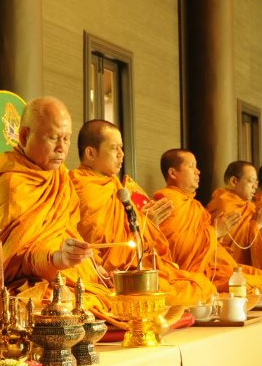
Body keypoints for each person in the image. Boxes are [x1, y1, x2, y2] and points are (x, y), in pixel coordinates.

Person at [0, 96, 124, 325]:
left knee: (117, 298)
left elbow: (66, 230)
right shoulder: (11, 185)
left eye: (66, 138)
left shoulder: (60, 177)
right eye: (53, 138)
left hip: (64, 273)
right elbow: (4, 263)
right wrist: (56, 259)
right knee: (60, 304)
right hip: (27, 283)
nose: (62, 148)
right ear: (25, 136)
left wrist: (91, 262)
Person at [69, 122, 216, 306]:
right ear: (91, 153)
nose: (121, 154)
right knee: (185, 292)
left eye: (121, 148)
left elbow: (133, 244)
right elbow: (103, 249)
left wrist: (145, 225)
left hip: (132, 269)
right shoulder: (80, 188)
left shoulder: (115, 186)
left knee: (199, 285)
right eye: (114, 148)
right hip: (105, 277)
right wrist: (143, 227)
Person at [152, 149, 262, 292]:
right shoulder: (168, 202)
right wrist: (215, 233)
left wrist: (217, 239)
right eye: (191, 166)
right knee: (257, 284)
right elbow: (181, 254)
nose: (198, 171)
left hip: (213, 268)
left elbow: (205, 243)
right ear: (173, 173)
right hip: (193, 275)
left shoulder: (196, 206)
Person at [205, 160, 262, 269]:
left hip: (246, 266)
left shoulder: (249, 206)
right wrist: (258, 225)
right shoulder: (223, 205)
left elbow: (261, 243)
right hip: (228, 267)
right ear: (234, 181)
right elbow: (219, 248)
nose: (255, 187)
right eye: (251, 181)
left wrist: (261, 226)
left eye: (256, 182)